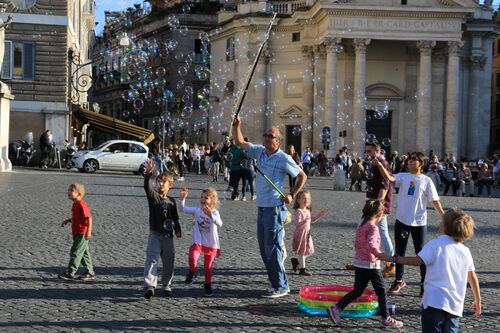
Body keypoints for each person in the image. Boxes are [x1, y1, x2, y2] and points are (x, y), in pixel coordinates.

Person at [232, 116, 307, 298]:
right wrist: (237, 126)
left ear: (278, 140)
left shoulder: (284, 158)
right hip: (262, 207)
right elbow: (240, 142)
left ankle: (282, 286)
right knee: (264, 248)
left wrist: (291, 194)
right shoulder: (260, 152)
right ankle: (275, 282)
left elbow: (302, 176)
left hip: (274, 208)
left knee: (273, 248)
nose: (266, 138)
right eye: (265, 135)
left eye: (270, 136)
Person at [394, 208, 481, 332]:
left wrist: (396, 260)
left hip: (433, 302)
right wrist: (478, 300)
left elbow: (417, 261)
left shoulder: (435, 245)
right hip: (455, 305)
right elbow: (472, 277)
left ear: (445, 227)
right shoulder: (465, 251)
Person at [373, 151, 445, 297]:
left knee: (422, 254)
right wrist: (380, 165)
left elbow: (434, 200)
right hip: (402, 220)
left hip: (419, 222)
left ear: (421, 163)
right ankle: (398, 280)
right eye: (409, 160)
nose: (410, 162)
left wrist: (443, 215)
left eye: (414, 160)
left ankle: (424, 285)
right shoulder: (403, 176)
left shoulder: (426, 180)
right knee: (399, 252)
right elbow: (389, 177)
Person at [327, 200, 403, 328]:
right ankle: (386, 318)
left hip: (359, 263)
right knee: (382, 291)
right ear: (380, 214)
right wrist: (383, 256)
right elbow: (372, 246)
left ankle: (336, 308)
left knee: (357, 290)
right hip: (371, 265)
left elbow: (357, 243)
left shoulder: (362, 224)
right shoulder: (373, 227)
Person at [143, 160, 181, 299]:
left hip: (168, 236)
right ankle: (150, 286)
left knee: (168, 261)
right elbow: (147, 187)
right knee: (152, 259)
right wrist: (148, 173)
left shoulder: (172, 201)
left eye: (162, 182)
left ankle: (167, 285)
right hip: (155, 234)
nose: (159, 184)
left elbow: (175, 218)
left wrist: (178, 229)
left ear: (170, 185)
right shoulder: (154, 198)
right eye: (158, 181)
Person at [179, 187, 222, 297]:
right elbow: (183, 209)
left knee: (208, 267)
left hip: (211, 243)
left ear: (212, 200)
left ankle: (207, 285)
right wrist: (183, 198)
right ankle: (192, 272)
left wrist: (210, 215)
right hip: (198, 240)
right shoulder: (197, 210)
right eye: (201, 197)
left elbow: (220, 223)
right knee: (192, 257)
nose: (202, 200)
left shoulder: (215, 212)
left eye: (206, 198)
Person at [364, 141, 395, 278]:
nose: (367, 154)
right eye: (366, 151)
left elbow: (384, 187)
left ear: (377, 151)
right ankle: (365, 260)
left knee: (383, 233)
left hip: (378, 206)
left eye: (369, 151)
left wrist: (377, 206)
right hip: (373, 204)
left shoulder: (383, 164)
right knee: (367, 231)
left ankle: (392, 264)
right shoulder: (375, 164)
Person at [58, 183, 95, 281]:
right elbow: (78, 218)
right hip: (77, 232)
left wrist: (89, 232)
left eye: (71, 190)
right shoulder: (75, 204)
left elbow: (89, 218)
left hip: (82, 233)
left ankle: (70, 272)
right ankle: (90, 272)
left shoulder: (81, 204)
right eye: (68, 190)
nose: (69, 192)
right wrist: (68, 220)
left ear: (79, 193)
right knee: (84, 253)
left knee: (75, 252)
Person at [290, 191, 328, 276]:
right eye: (303, 198)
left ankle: (296, 260)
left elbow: (312, 220)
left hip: (307, 234)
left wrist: (320, 215)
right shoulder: (298, 211)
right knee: (302, 251)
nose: (306, 200)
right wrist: (305, 221)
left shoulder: (307, 210)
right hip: (301, 234)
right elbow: (298, 223)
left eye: (308, 198)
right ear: (298, 200)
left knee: (310, 251)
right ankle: (302, 269)